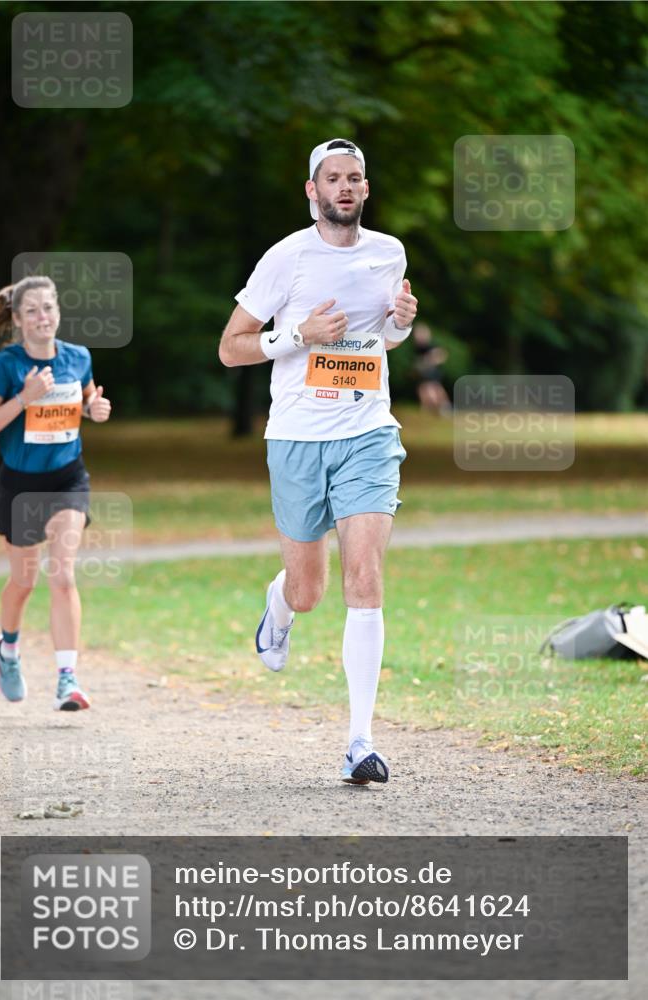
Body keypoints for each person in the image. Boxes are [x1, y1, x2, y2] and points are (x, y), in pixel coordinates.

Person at [219, 138, 418, 785]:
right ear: (312, 190)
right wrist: (298, 335)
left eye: (354, 177)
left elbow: (383, 339)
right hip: (298, 438)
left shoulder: (388, 253)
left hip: (368, 432)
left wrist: (400, 323)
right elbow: (231, 348)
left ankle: (360, 742)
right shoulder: (286, 258)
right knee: (308, 592)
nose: (344, 187)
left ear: (366, 188)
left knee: (365, 576)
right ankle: (278, 606)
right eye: (332, 178)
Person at [0, 275, 111, 710]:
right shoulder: (4, 366)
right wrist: (24, 398)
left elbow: (88, 398)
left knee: (63, 575)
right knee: (23, 581)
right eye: (32, 310)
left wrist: (94, 408)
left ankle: (67, 680)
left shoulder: (78, 356)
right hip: (20, 487)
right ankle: (8, 649)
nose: (43, 317)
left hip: (68, 480)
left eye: (49, 307)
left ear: (58, 311)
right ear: (18, 319)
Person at [413, 322, 451, 415]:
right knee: (424, 392)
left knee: (433, 391)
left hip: (431, 373)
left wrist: (428, 361)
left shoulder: (431, 346)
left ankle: (443, 408)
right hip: (424, 374)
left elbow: (442, 355)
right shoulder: (417, 348)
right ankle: (430, 411)